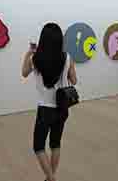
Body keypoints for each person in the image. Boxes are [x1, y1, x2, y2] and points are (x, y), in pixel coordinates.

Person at [22, 23, 77, 181]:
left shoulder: (35, 58)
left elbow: (24, 73)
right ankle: (50, 177)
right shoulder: (67, 57)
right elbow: (74, 80)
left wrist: (28, 53)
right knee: (55, 144)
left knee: (39, 147)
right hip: (62, 108)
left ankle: (51, 179)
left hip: (45, 110)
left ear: (43, 39)